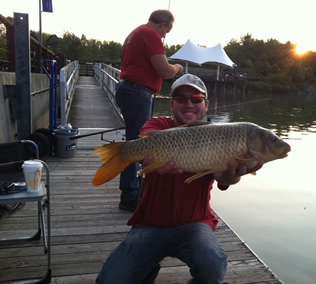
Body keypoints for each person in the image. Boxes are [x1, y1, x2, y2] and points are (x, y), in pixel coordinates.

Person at [96, 74, 263, 283]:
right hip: (149, 224)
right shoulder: (156, 123)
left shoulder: (219, 136)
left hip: (194, 225)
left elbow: (223, 180)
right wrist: (150, 160)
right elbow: (146, 142)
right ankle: (146, 269)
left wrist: (232, 177)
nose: (189, 104)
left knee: (213, 263)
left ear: (206, 104)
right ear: (172, 104)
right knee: (111, 280)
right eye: (182, 99)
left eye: (196, 98)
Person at [116, 9, 183, 211]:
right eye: (166, 31)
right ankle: (129, 195)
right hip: (138, 93)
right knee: (138, 145)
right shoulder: (150, 34)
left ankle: (134, 190)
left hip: (130, 90)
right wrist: (177, 68)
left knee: (136, 141)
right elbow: (164, 71)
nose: (164, 36)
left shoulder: (135, 33)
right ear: (162, 25)